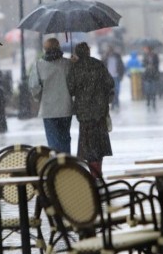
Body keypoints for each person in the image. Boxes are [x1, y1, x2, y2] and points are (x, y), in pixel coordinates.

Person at [68, 42, 114, 179]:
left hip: (84, 113)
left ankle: (92, 173)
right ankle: (98, 170)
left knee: (87, 144)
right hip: (100, 111)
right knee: (99, 143)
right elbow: (110, 82)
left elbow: (70, 89)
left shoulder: (75, 68)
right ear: (88, 51)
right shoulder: (98, 64)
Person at [28, 37, 73, 154]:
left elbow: (34, 87)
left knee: (53, 141)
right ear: (59, 48)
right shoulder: (68, 64)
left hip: (48, 109)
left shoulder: (39, 65)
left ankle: (56, 165)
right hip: (65, 107)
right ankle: (67, 162)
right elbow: (74, 84)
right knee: (65, 138)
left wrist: (39, 98)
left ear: (45, 49)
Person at [102, 46, 125, 111]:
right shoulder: (105, 58)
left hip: (116, 76)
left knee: (117, 91)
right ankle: (113, 104)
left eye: (111, 51)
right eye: (109, 51)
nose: (110, 52)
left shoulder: (117, 58)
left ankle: (116, 103)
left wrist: (121, 75)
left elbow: (122, 67)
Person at [141, 45, 160, 110]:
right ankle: (148, 101)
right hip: (147, 75)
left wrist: (153, 66)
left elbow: (157, 64)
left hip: (153, 75)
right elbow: (143, 64)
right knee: (148, 90)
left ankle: (153, 102)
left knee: (153, 90)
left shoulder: (155, 56)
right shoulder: (145, 56)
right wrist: (147, 65)